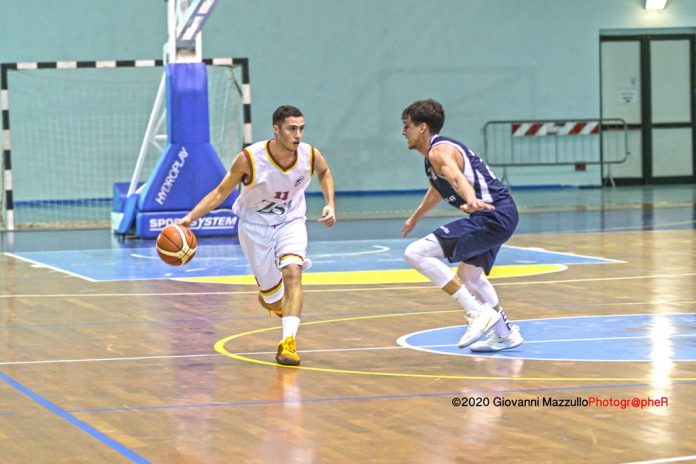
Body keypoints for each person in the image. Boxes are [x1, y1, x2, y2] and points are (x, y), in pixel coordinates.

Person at [179, 105, 336, 365]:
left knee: (293, 272)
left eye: (301, 129)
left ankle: (288, 345)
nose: (298, 135)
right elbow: (220, 192)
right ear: (276, 130)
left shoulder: (309, 155)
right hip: (254, 227)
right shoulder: (249, 159)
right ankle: (271, 299)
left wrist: (329, 202)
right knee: (273, 299)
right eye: (291, 129)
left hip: (291, 222)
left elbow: (324, 172)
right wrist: (190, 218)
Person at [400, 99, 523, 352]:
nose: (404, 132)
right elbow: (438, 189)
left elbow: (456, 178)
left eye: (407, 126)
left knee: (415, 253)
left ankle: (476, 313)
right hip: (499, 214)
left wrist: (470, 200)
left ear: (422, 127)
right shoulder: (432, 157)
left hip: (492, 215)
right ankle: (505, 333)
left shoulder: (439, 152)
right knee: (470, 276)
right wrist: (416, 217)